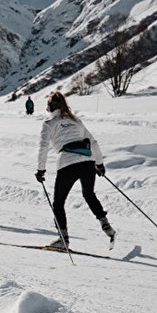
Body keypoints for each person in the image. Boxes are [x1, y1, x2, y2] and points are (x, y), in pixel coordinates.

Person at [34, 91, 114, 249]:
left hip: (67, 163)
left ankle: (63, 240)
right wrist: (99, 164)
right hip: (87, 162)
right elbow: (94, 143)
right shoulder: (76, 121)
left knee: (58, 203)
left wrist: (40, 170)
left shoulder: (49, 123)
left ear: (50, 107)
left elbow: (43, 147)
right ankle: (106, 226)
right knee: (89, 195)